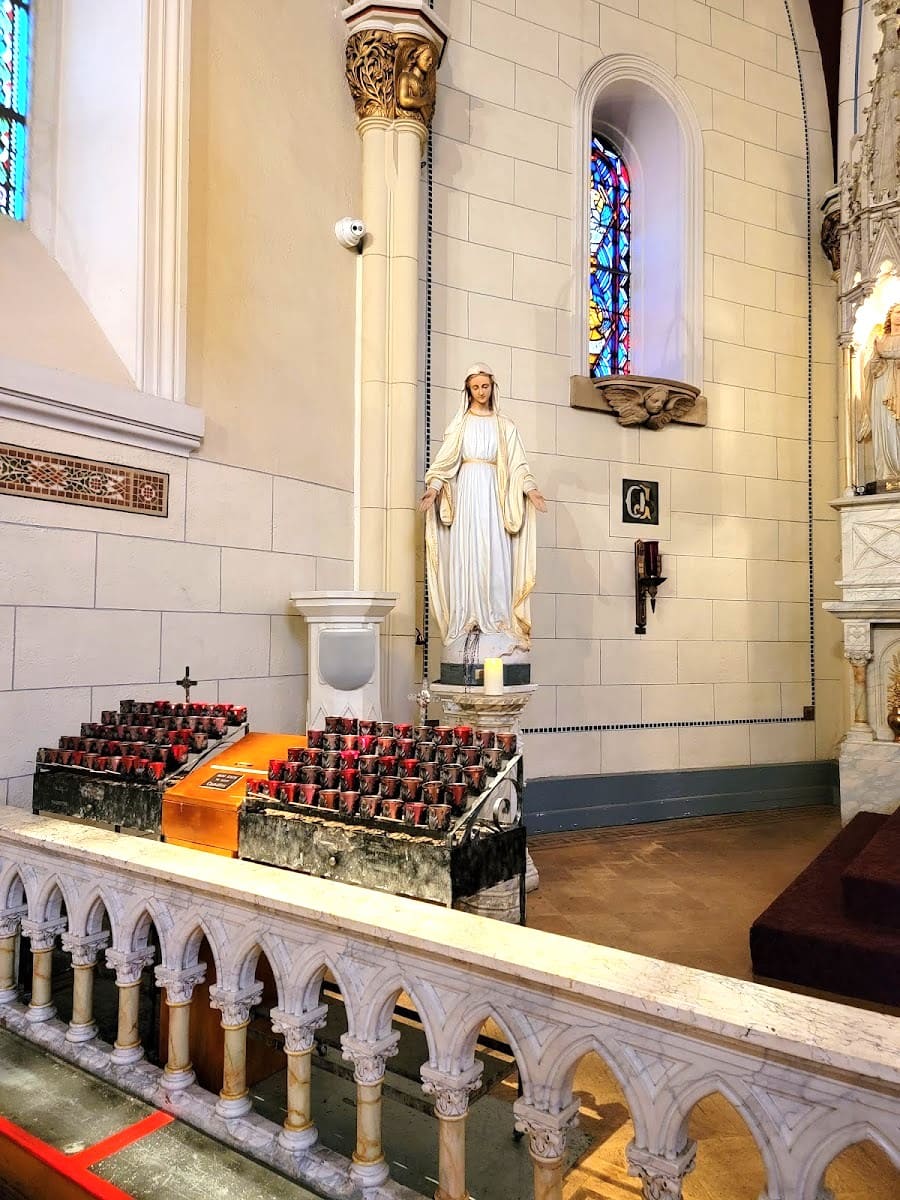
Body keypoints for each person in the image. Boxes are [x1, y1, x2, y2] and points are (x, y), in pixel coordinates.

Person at [419, 366, 547, 662]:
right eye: (475, 387)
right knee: (468, 554)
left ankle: (498, 619)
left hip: (493, 495)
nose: (481, 391)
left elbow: (518, 465)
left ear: (492, 388)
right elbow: (445, 462)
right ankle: (468, 618)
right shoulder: (460, 425)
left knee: (494, 554)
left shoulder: (505, 426)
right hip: (466, 496)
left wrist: (530, 490)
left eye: (485, 386)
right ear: (469, 390)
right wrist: (435, 489)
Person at [860, 302, 900, 481]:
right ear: (890, 316)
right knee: (886, 425)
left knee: (897, 426)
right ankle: (887, 473)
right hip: (882, 386)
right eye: (897, 312)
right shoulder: (880, 340)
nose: (899, 316)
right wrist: (875, 365)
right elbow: (870, 367)